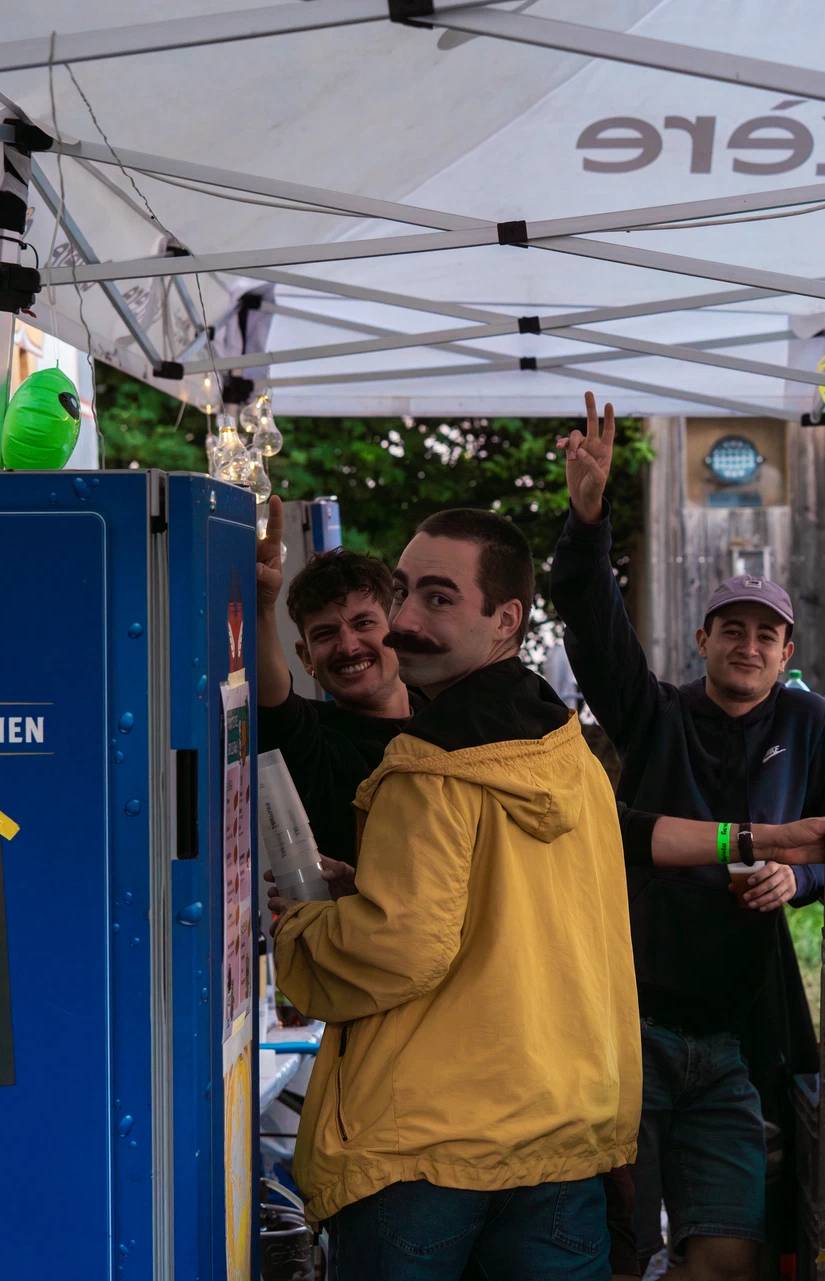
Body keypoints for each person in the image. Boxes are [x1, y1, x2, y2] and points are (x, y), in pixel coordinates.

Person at [269, 507, 639, 1280]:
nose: (404, 620)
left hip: (427, 1150)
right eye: (403, 592)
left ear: (505, 619)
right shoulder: (568, 752)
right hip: (562, 1132)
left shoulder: (426, 769)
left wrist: (301, 930)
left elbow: (401, 945)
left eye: (437, 598)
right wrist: (364, 889)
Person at [552, 393, 825, 1281]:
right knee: (623, 1247)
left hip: (735, 1031)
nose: (749, 644)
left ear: (786, 650)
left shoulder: (808, 723)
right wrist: (588, 515)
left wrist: (792, 885)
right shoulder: (654, 715)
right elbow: (590, 617)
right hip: (631, 1021)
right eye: (733, 628)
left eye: (767, 634)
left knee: (730, 1256)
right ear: (703, 639)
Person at [254, 496, 408, 895]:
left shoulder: (452, 719)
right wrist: (260, 608)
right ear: (306, 658)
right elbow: (274, 705)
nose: (348, 645)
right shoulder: (314, 738)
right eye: (325, 634)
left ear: (397, 630)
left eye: (364, 623)